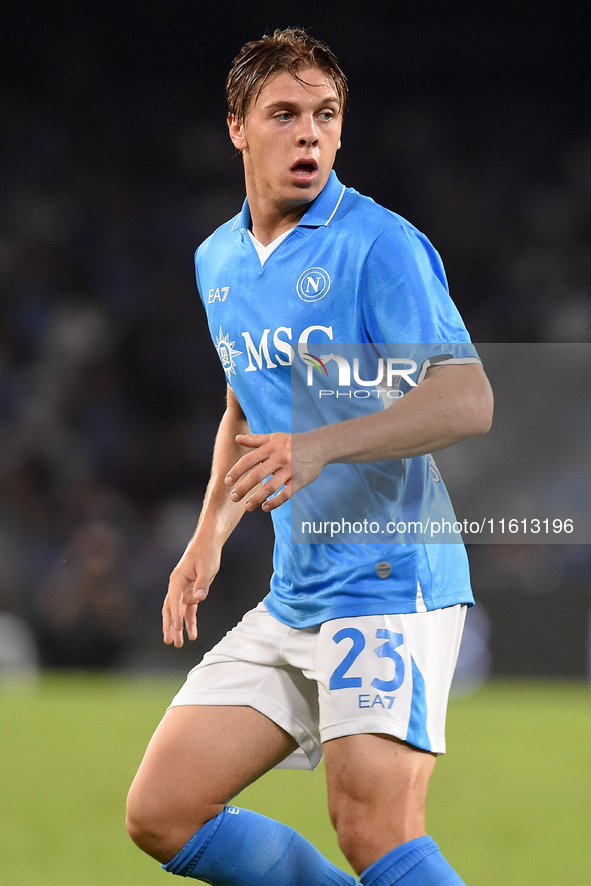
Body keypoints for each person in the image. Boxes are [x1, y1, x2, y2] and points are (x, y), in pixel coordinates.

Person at [126, 27, 494, 886]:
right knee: (162, 812)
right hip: (296, 593)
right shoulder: (216, 260)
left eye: (325, 115)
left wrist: (321, 444)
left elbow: (467, 399)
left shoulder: (379, 244)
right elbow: (241, 404)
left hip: (390, 582)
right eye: (284, 114)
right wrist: (207, 533)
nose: (310, 135)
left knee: (372, 827)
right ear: (236, 130)